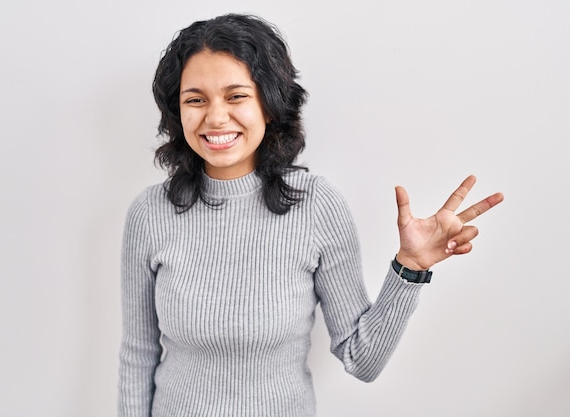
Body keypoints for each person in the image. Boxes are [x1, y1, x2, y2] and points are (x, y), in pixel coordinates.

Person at [118, 13, 504, 417]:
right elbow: (138, 354)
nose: (215, 117)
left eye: (236, 96)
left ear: (269, 104)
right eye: (195, 100)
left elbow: (362, 359)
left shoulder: (318, 207)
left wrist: (409, 268)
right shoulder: (150, 213)